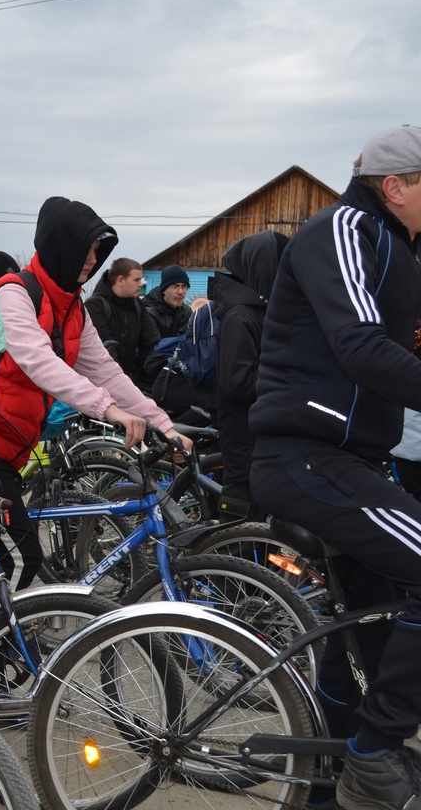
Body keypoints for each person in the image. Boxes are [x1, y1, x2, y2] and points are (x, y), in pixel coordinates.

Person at [249, 126, 421, 810]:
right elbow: (358, 348)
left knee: (368, 624)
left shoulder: (402, 248)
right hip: (303, 454)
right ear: (396, 185)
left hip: (350, 457)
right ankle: (373, 754)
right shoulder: (344, 229)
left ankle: (339, 781)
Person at [0, 196, 191, 591]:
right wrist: (109, 411)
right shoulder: (16, 293)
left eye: (97, 252)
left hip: (2, 447)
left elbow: (106, 372)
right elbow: (37, 360)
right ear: (56, 245)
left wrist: (164, 426)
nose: (90, 259)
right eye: (83, 249)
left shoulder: (72, 308)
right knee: (20, 557)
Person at [210, 231, 285, 520]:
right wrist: (285, 382)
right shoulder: (241, 315)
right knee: (242, 520)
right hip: (245, 434)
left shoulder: (258, 308)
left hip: (261, 430)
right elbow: (237, 383)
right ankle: (223, 563)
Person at [84, 257, 161, 389]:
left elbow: (151, 343)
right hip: (97, 384)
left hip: (128, 380)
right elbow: (103, 348)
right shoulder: (95, 306)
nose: (141, 284)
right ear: (120, 280)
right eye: (136, 280)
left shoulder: (137, 305)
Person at [142, 264, 192, 338]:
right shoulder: (149, 313)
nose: (180, 292)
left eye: (184, 286)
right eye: (175, 286)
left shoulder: (187, 312)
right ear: (164, 290)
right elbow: (154, 346)